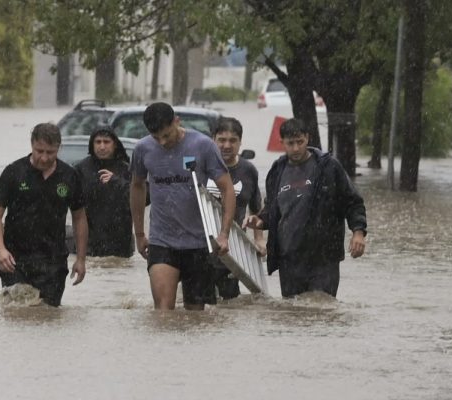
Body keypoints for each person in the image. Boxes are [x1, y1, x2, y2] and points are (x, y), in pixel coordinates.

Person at [129, 102, 237, 310]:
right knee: (163, 311)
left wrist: (224, 234)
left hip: (198, 242)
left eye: (166, 135)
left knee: (195, 317)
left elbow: (227, 189)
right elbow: (137, 186)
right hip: (162, 240)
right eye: (156, 137)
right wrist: (140, 233)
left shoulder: (203, 145)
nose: (162, 142)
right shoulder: (143, 149)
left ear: (176, 121)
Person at [244, 117, 367, 298]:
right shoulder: (277, 170)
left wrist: (358, 232)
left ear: (307, 139)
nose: (295, 148)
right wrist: (260, 220)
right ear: (282, 143)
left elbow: (352, 201)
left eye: (300, 142)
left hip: (324, 258)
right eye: (290, 143)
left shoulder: (328, 167)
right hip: (289, 258)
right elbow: (273, 208)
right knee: (292, 313)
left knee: (322, 308)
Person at [0, 123, 88, 307]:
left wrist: (81, 259)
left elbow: (79, 217)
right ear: (31, 145)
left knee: (48, 315)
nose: (43, 158)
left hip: (54, 260)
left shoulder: (69, 176)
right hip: (15, 259)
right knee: (17, 314)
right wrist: (0, 250)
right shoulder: (14, 172)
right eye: (39, 151)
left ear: (59, 148)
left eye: (50, 152)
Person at [211, 117, 265, 299]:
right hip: (199, 249)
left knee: (229, 306)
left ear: (240, 143)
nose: (227, 145)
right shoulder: (202, 166)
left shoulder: (248, 171)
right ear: (213, 140)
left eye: (233, 140)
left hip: (232, 252)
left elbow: (256, 209)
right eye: (222, 140)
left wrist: (259, 240)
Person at [74, 126, 133, 257]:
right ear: (92, 144)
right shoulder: (80, 169)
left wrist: (117, 182)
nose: (102, 147)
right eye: (98, 142)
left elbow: (145, 198)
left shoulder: (126, 170)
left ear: (115, 145)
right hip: (89, 243)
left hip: (120, 243)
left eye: (106, 142)